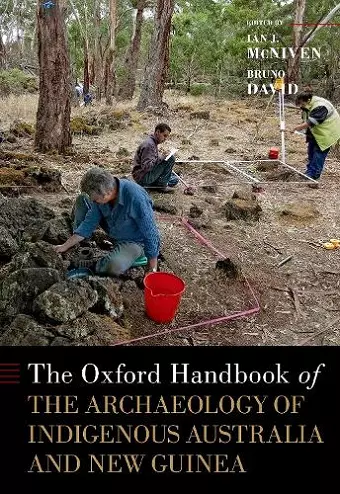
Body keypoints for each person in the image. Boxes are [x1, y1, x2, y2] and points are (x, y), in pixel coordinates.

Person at [53, 167, 160, 275]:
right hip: (113, 229)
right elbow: (88, 224)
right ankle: (83, 243)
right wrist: (64, 246)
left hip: (134, 241)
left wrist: (152, 268)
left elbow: (151, 233)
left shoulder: (135, 197)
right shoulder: (104, 195)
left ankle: (96, 266)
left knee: (114, 266)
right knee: (83, 199)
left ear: (106, 193)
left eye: (95, 200)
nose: (94, 202)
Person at [291, 91, 340, 181]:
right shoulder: (308, 105)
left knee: (318, 154)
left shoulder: (320, 106)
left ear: (308, 100)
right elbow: (307, 119)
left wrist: (297, 128)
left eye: (302, 104)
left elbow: (312, 121)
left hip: (328, 132)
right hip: (317, 132)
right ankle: (309, 172)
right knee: (311, 152)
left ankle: (314, 177)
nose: (301, 106)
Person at [132, 123, 179, 192]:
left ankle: (152, 185)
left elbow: (151, 159)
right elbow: (146, 167)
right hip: (143, 177)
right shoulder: (149, 145)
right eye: (164, 136)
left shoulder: (152, 143)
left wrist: (160, 155)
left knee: (175, 179)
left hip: (141, 176)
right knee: (170, 159)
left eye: (167, 137)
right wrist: (161, 158)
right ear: (157, 132)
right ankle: (161, 186)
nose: (165, 139)